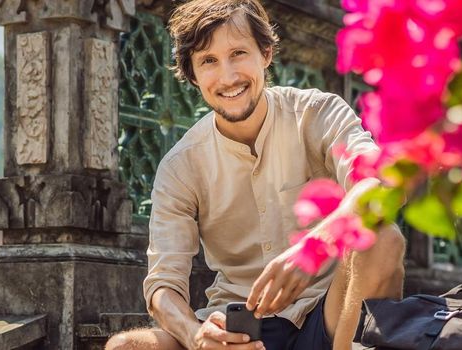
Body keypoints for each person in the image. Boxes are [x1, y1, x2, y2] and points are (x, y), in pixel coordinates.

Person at [105, 1, 405, 349]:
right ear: (192, 75)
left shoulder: (316, 112)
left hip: (331, 315)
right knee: (126, 347)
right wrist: (197, 336)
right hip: (238, 330)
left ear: (265, 53)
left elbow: (380, 182)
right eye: (209, 61)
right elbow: (162, 286)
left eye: (238, 53)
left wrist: (317, 244)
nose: (228, 76)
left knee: (384, 238)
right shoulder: (180, 166)